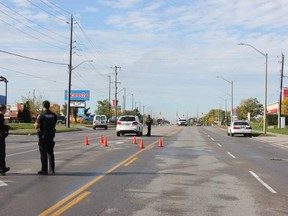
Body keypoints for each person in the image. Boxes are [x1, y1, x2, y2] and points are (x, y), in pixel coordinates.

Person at [34, 100, 57, 175]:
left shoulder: (41, 115)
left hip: (43, 135)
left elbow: (37, 125)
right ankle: (52, 169)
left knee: (43, 152)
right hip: (51, 135)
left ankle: (44, 170)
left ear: (43, 106)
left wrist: (35, 125)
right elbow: (54, 123)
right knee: (50, 152)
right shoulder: (54, 115)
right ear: (49, 106)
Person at [0, 104, 10, 176]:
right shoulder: (1, 117)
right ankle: (2, 168)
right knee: (2, 153)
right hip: (0, 137)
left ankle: (3, 167)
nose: (5, 110)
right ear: (3, 109)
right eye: (5, 109)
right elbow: (2, 126)